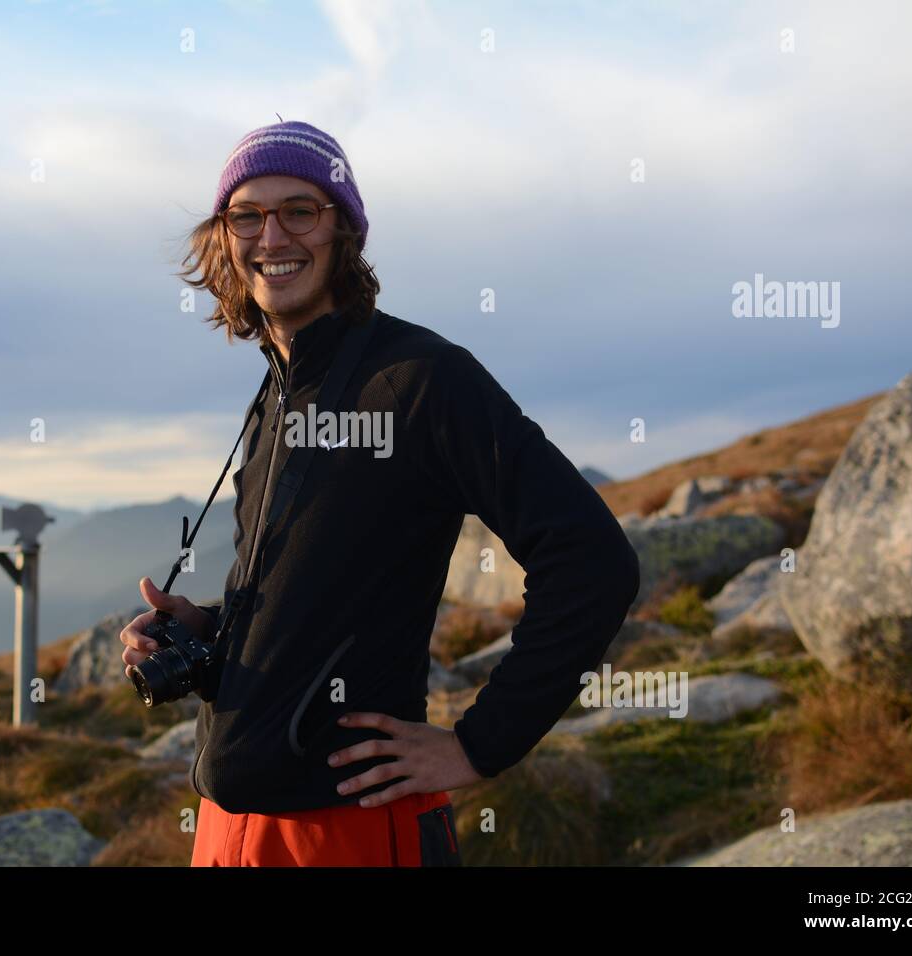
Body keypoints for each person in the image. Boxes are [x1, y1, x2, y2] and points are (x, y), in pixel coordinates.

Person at [119, 120, 640, 866]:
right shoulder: (276, 393)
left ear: (343, 232)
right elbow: (322, 584)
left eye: (301, 210)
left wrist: (479, 744)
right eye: (247, 215)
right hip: (229, 827)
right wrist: (202, 628)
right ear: (224, 238)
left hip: (352, 830)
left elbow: (593, 561)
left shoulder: (421, 377)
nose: (272, 235)